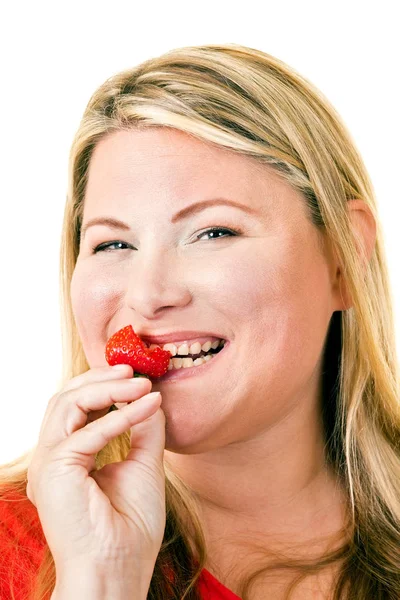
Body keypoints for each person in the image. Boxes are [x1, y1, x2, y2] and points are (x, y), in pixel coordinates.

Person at [0, 42, 398, 600]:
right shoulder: (11, 549)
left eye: (214, 233)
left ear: (344, 258)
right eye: (113, 242)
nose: (147, 294)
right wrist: (101, 580)